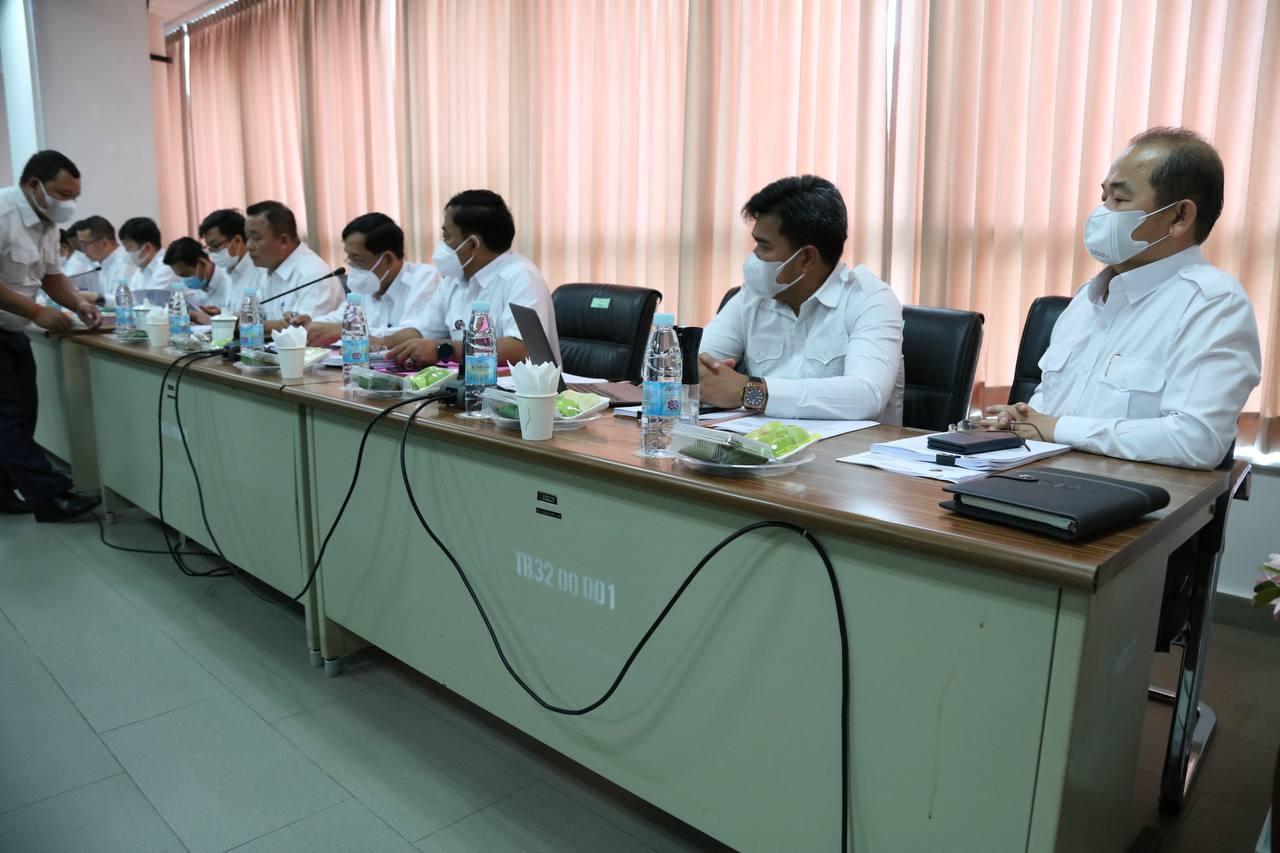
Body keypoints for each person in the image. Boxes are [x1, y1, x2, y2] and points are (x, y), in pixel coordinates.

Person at [985, 127, 1262, 470]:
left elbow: (1196, 441)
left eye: (1119, 200)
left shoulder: (1213, 305)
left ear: (1179, 217)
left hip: (1128, 494)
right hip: (1032, 478)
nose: (1102, 213)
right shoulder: (1086, 299)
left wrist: (1058, 428)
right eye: (1103, 198)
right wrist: (1019, 420)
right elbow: (1045, 412)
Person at [698, 175, 905, 422]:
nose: (754, 257)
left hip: (849, 447)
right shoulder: (752, 298)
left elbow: (866, 396)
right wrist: (697, 374)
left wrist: (750, 391)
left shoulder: (870, 300)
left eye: (764, 247)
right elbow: (696, 366)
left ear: (806, 258)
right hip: (762, 442)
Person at [0, 150, 102, 520]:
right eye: (62, 194)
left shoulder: (47, 224)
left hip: (12, 329)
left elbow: (51, 276)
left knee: (25, 411)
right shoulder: (3, 214)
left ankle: (4, 492)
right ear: (34, 185)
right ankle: (51, 497)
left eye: (74, 196)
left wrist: (78, 305)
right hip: (12, 322)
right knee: (7, 417)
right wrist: (37, 312)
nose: (69, 204)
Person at [388, 190, 559, 369]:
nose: (442, 244)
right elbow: (421, 331)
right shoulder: (454, 279)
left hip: (513, 385)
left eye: (446, 236)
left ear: (472, 245)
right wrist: (380, 344)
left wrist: (443, 349)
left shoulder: (521, 276)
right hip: (469, 382)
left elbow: (521, 348)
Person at [290, 213, 438, 347]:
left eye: (357, 259)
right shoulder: (367, 284)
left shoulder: (424, 278)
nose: (352, 266)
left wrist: (349, 330)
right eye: (349, 258)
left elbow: (414, 332)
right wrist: (310, 324)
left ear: (387, 259)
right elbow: (340, 318)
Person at [244, 200, 341, 331]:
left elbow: (305, 331)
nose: (249, 246)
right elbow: (251, 317)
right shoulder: (269, 268)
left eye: (256, 238)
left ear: (284, 241)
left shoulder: (313, 275)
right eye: (247, 237)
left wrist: (253, 325)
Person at [198, 208, 261, 316]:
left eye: (216, 246)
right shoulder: (228, 271)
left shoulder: (259, 270)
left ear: (237, 241)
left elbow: (258, 317)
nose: (212, 253)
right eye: (209, 248)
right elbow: (236, 311)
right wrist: (220, 313)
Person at [162, 237, 235, 323]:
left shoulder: (230, 280)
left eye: (186, 275)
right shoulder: (196, 284)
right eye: (180, 276)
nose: (185, 280)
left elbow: (240, 319)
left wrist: (216, 316)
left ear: (202, 263)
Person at [120, 216, 178, 303]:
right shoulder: (142, 269)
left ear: (147, 247)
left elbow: (151, 303)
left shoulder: (167, 266)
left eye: (129, 247)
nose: (126, 252)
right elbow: (128, 300)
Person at [76, 215, 132, 299]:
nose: (83, 250)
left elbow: (123, 300)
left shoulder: (126, 261)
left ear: (104, 243)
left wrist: (94, 298)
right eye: (80, 244)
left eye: (85, 244)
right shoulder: (103, 263)